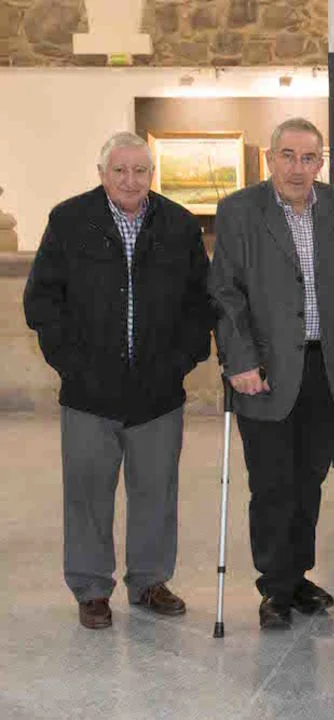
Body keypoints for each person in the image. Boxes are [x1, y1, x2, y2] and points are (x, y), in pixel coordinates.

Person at [24, 131, 213, 629]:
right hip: (89, 393)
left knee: (156, 491)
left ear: (152, 174)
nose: (130, 180)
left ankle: (149, 581)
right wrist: (72, 363)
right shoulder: (69, 220)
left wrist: (180, 360)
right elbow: (42, 301)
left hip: (158, 392)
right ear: (102, 173)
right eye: (120, 170)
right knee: (87, 493)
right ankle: (91, 589)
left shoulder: (178, 225)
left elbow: (201, 304)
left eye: (140, 170)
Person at [209, 117, 334, 630]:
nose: (298, 168)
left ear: (321, 163)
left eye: (309, 158)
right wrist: (239, 360)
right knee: (271, 484)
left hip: (327, 369)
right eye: (288, 156)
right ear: (270, 158)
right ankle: (274, 587)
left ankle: (296, 574)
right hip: (264, 370)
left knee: (309, 481)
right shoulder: (240, 211)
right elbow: (224, 294)